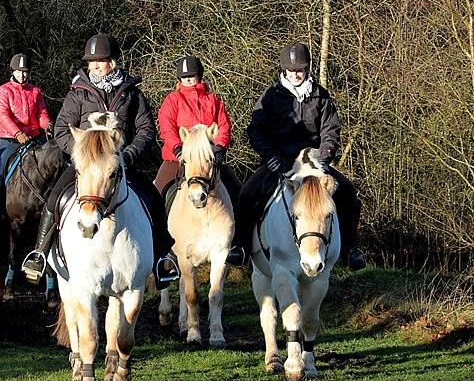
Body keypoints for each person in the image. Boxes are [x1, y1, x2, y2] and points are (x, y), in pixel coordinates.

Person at [21, 33, 179, 287]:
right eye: (91, 61)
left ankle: (162, 259)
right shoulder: (78, 93)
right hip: (84, 166)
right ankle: (39, 253)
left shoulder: (131, 93)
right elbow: (62, 128)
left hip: (121, 166)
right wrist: (84, 154)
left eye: (101, 60)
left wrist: (127, 155)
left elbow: (146, 129)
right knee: (55, 198)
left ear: (112, 61)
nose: (95, 64)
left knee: (153, 200)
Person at [235, 42, 365, 270]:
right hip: (280, 162)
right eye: (291, 70)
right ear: (284, 70)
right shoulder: (271, 95)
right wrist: (270, 156)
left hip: (314, 164)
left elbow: (331, 129)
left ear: (307, 70)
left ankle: (351, 248)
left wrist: (324, 156)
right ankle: (241, 247)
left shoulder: (320, 96)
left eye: (300, 70)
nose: (296, 74)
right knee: (247, 193)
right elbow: (256, 129)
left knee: (348, 193)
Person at [153, 55, 245, 266]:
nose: (188, 80)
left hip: (209, 161)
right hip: (178, 160)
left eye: (191, 77)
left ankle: (237, 245)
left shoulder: (213, 101)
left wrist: (220, 148)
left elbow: (223, 125)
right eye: (184, 77)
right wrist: (177, 149)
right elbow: (166, 126)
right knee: (158, 193)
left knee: (237, 190)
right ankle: (162, 249)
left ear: (199, 77)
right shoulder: (172, 101)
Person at [0, 53, 52, 186]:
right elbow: (3, 115)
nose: (22, 75)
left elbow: (41, 113)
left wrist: (46, 124)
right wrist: (18, 133)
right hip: (11, 139)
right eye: (18, 71)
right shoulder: (3, 91)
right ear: (13, 71)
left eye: (25, 72)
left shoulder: (35, 91)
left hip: (34, 138)